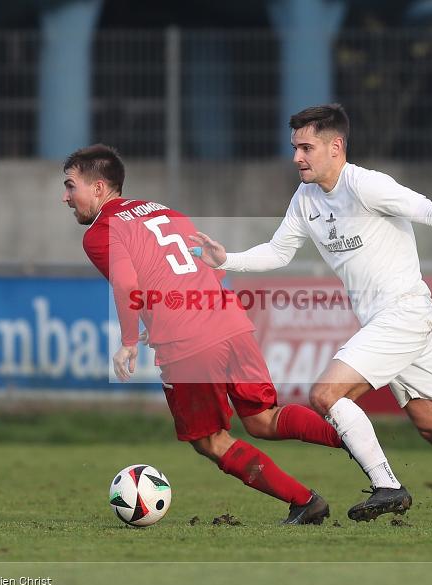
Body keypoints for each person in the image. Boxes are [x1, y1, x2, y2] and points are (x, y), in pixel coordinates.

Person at [189, 104, 432, 528]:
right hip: (386, 321)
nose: (297, 157)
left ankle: (387, 484)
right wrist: (227, 258)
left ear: (335, 147)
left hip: (405, 312)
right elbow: (279, 250)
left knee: (326, 395)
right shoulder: (305, 199)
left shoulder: (365, 186)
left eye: (306, 147)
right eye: (295, 147)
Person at [63, 143, 344, 525]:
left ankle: (304, 501)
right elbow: (208, 269)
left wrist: (129, 340)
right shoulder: (166, 211)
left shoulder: (100, 231)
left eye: (70, 186)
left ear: (98, 188)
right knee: (263, 417)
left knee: (210, 439)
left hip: (189, 340)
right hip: (228, 319)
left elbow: (127, 285)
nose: (65, 197)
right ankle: (356, 439)